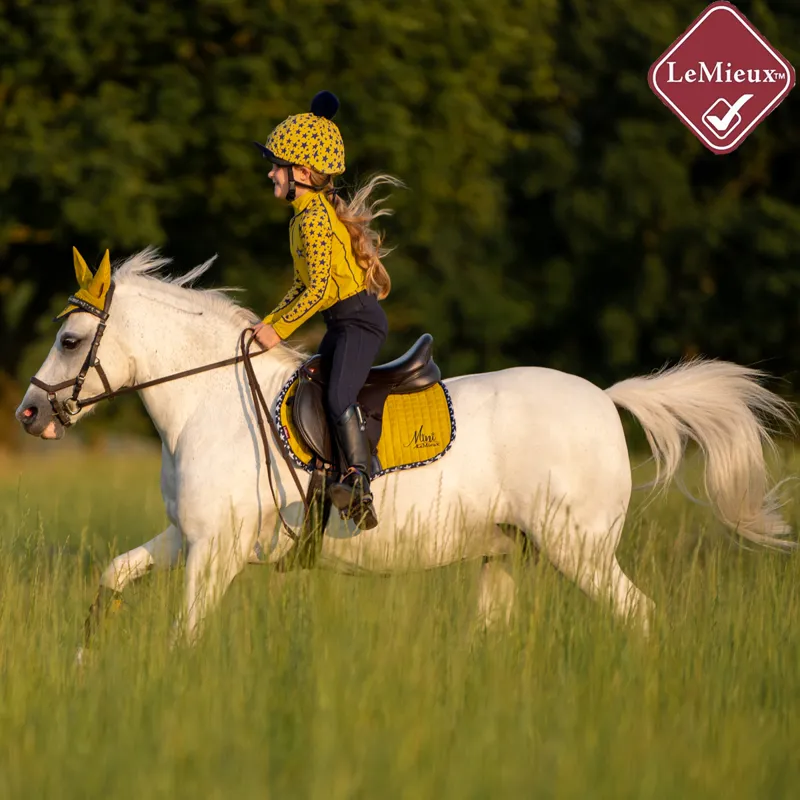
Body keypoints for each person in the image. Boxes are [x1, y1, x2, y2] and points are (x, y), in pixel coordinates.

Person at [252, 91, 402, 530]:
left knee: (338, 396)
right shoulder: (304, 217)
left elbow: (317, 290)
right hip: (340, 322)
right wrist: (267, 321)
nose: (270, 173)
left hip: (358, 321)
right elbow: (302, 284)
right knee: (317, 387)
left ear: (300, 172)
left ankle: (358, 482)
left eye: (276, 166)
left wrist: (279, 330)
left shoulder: (315, 218)